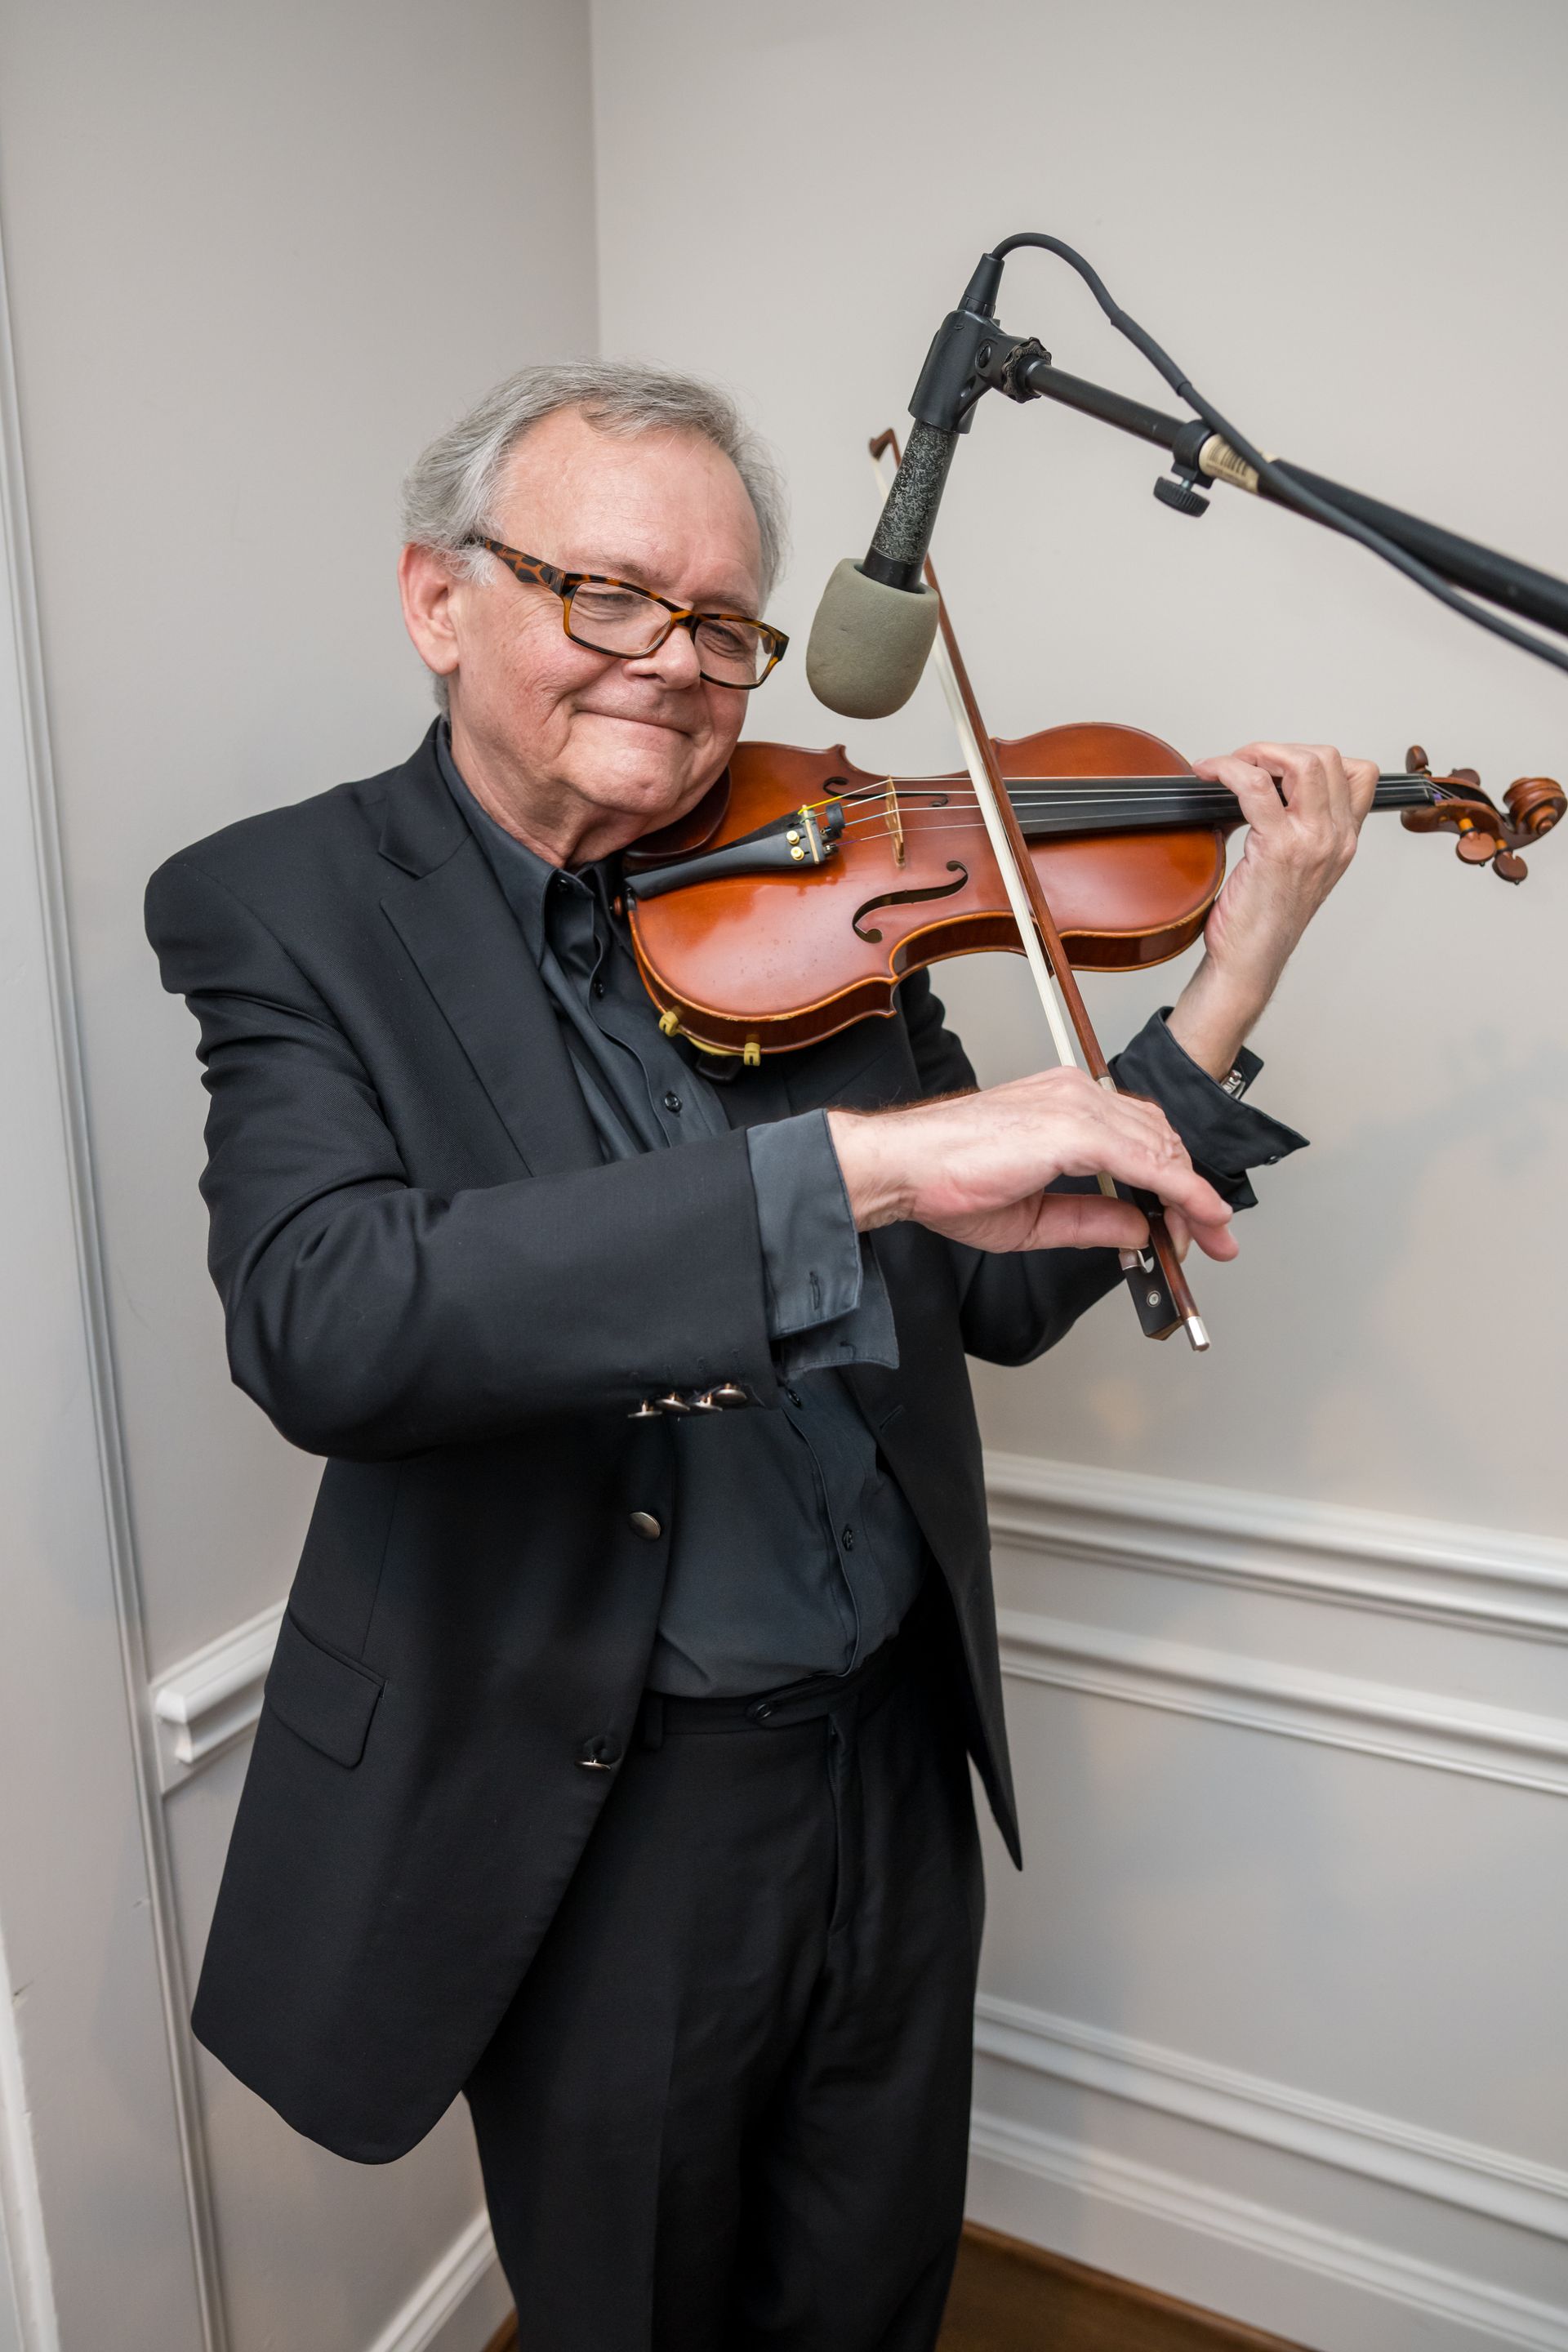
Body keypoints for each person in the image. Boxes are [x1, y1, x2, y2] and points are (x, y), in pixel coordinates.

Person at [145, 360, 1376, 2351]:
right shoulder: (282, 905)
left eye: (723, 621)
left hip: (888, 1749)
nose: (680, 664)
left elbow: (992, 1284)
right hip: (607, 1802)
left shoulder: (823, 863)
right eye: (606, 594)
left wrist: (1231, 980)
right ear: (438, 598)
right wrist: (871, 1166)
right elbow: (329, 1316)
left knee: (873, 2289)